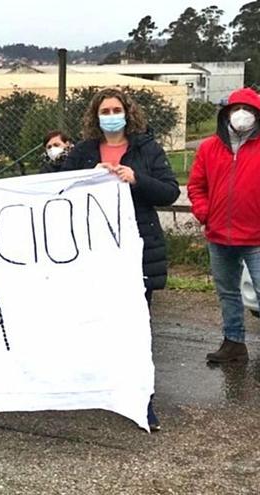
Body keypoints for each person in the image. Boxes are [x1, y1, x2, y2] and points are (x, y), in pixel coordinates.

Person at [62, 87, 180, 432]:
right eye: (104, 110)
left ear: (127, 113)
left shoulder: (147, 149)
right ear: (95, 116)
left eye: (116, 109)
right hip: (93, 251)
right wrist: (89, 177)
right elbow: (59, 188)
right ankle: (96, 391)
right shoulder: (83, 152)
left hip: (137, 250)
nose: (111, 114)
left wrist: (136, 178)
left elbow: (170, 191)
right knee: (94, 324)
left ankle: (144, 401)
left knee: (137, 329)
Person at [187, 87, 260, 363]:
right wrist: (205, 213)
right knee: (228, 292)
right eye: (238, 109)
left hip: (256, 238)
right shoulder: (208, 148)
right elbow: (196, 186)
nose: (243, 115)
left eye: (250, 111)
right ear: (226, 113)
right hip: (218, 236)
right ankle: (234, 343)